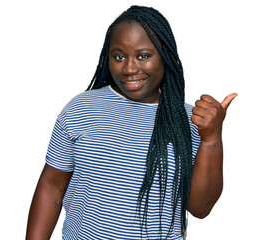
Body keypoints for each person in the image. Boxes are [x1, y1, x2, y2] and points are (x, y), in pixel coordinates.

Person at [26, 5, 237, 240]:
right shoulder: (81, 109)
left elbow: (200, 208)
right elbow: (52, 185)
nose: (129, 68)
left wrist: (211, 138)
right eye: (119, 56)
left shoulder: (187, 122)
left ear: (165, 56)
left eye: (143, 56)